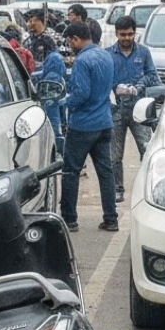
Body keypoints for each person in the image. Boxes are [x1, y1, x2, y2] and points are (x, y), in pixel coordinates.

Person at [59, 21, 117, 232]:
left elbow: (81, 93)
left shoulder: (83, 61)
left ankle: (69, 219)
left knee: (71, 172)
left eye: (70, 41)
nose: (70, 45)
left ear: (76, 39)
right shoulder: (106, 56)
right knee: (106, 173)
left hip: (83, 125)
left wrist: (64, 102)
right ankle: (111, 218)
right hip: (104, 122)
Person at [108, 15, 160, 203]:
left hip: (140, 109)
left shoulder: (144, 53)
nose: (126, 38)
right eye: (123, 35)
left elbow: (153, 75)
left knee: (146, 150)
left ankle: (148, 188)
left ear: (135, 33)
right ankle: (116, 189)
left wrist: (137, 86)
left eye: (130, 34)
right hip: (117, 110)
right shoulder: (108, 54)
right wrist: (117, 88)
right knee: (115, 153)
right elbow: (104, 79)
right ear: (116, 34)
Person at [32, 33, 66, 153]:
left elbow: (51, 76)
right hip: (54, 94)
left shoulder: (54, 58)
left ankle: (58, 151)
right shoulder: (54, 57)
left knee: (54, 124)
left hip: (51, 96)